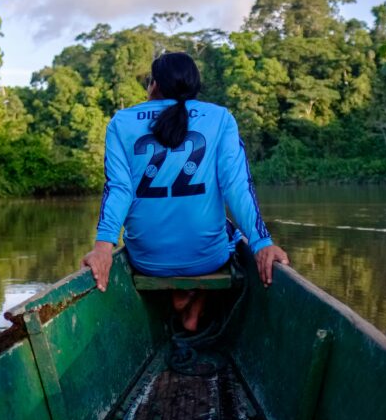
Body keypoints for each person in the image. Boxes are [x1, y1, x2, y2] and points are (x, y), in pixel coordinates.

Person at [80, 52, 288, 331]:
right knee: (232, 233)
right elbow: (236, 186)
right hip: (206, 257)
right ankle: (194, 303)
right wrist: (262, 243)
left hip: (146, 258)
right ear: (194, 85)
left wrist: (103, 247)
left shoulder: (121, 122)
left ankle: (179, 297)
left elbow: (119, 189)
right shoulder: (220, 118)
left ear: (155, 85)